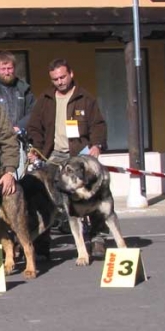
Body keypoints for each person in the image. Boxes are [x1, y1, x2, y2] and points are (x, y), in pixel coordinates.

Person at [26, 58, 108, 257]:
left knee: (94, 196)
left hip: (79, 154)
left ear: (71, 74)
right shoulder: (45, 100)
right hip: (53, 155)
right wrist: (35, 149)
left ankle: (97, 239)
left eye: (63, 77)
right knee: (44, 198)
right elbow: (34, 127)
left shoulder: (85, 99)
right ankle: (41, 245)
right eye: (55, 79)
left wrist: (95, 146)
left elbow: (98, 125)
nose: (60, 81)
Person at [0, 51, 36, 177]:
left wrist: (20, 126)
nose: (7, 72)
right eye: (3, 69)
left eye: (10, 68)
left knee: (20, 179)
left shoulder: (24, 88)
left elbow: (33, 111)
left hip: (19, 141)